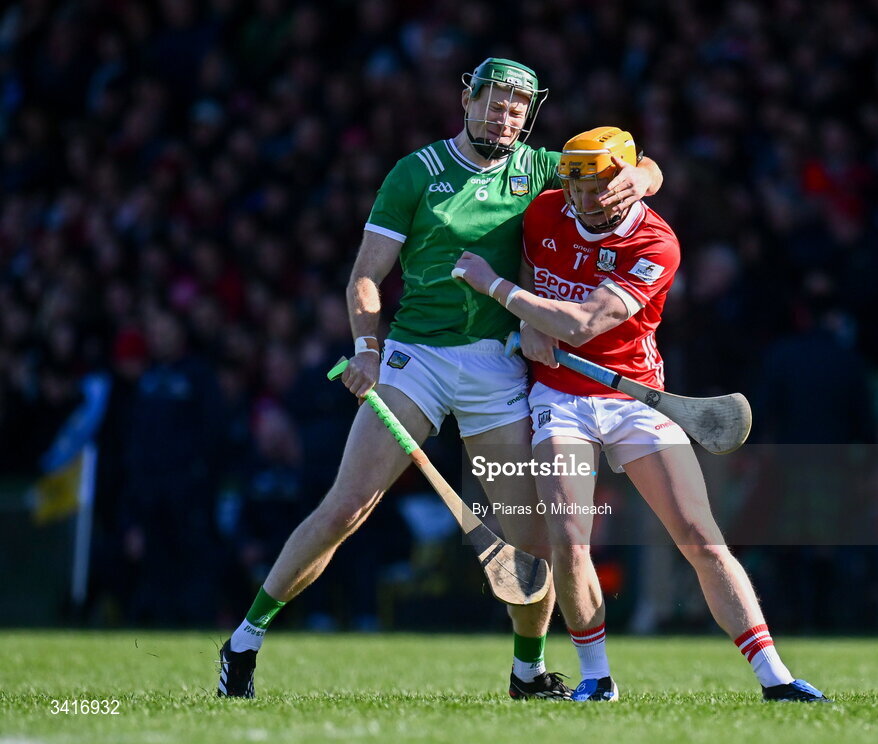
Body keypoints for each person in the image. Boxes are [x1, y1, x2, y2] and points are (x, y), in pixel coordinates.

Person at [218, 60, 663, 699]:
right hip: (414, 360)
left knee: (529, 538)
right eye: (492, 102)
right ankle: (245, 640)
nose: (501, 116)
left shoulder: (541, 169)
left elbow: (640, 168)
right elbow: (365, 278)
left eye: (515, 107)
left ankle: (527, 671)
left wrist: (641, 179)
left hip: (499, 368)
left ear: (527, 115)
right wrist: (367, 349)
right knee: (349, 505)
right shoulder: (415, 173)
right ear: (468, 99)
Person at [452, 126, 828, 702]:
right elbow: (535, 269)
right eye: (576, 184)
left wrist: (497, 289)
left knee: (701, 538)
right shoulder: (546, 211)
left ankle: (775, 679)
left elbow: (582, 324)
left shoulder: (656, 243)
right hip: (560, 399)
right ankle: (596, 677)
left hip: (634, 398)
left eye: (599, 184)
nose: (584, 198)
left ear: (627, 182)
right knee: (570, 539)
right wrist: (529, 317)